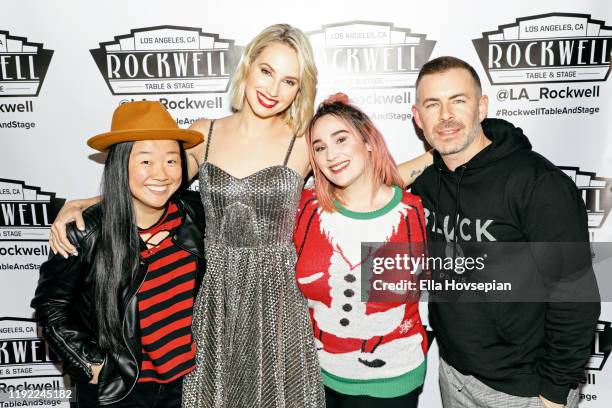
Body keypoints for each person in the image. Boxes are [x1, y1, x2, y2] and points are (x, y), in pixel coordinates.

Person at [46, 24, 432, 408]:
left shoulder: (302, 140)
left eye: (289, 81)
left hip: (279, 298)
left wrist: (442, 156)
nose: (273, 90)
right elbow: (154, 178)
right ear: (248, 66)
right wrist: (85, 202)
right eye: (267, 72)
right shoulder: (204, 134)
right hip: (214, 296)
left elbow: (366, 174)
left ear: (300, 89)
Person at [409, 56, 600, 408]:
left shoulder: (537, 184)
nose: (446, 115)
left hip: (523, 390)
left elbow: (575, 292)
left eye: (458, 100)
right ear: (418, 117)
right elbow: (373, 182)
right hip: (453, 375)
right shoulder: (427, 183)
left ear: (482, 107)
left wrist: (554, 394)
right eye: (432, 105)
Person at [31, 101, 206, 407]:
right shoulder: (86, 231)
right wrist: (93, 366)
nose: (161, 174)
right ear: (120, 163)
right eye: (146, 162)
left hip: (184, 390)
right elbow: (50, 308)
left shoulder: (195, 214)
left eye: (171, 160)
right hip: (119, 391)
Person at [293, 93, 428, 408]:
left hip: (391, 383)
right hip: (318, 380)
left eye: (341, 139)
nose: (331, 155)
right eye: (320, 147)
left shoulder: (413, 211)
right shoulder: (305, 210)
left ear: (367, 141)